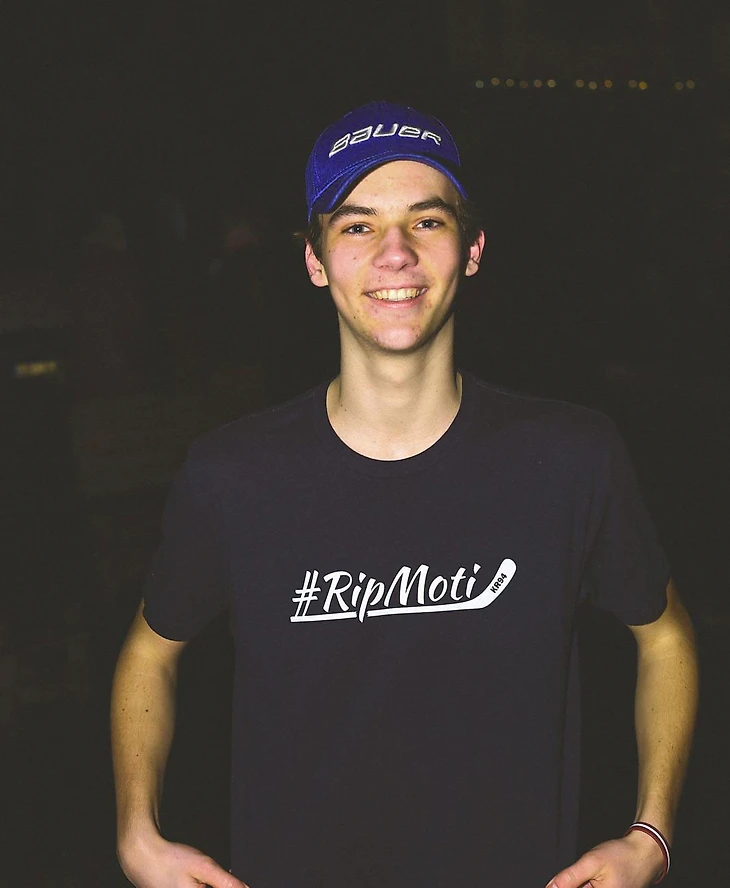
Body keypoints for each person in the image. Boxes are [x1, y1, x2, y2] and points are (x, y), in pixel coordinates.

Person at [111, 101, 699, 888]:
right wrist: (137, 831)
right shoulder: (233, 475)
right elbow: (150, 652)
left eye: (427, 221)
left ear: (473, 250)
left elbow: (665, 639)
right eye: (358, 226)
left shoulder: (570, 459)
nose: (395, 254)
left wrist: (651, 834)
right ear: (315, 260)